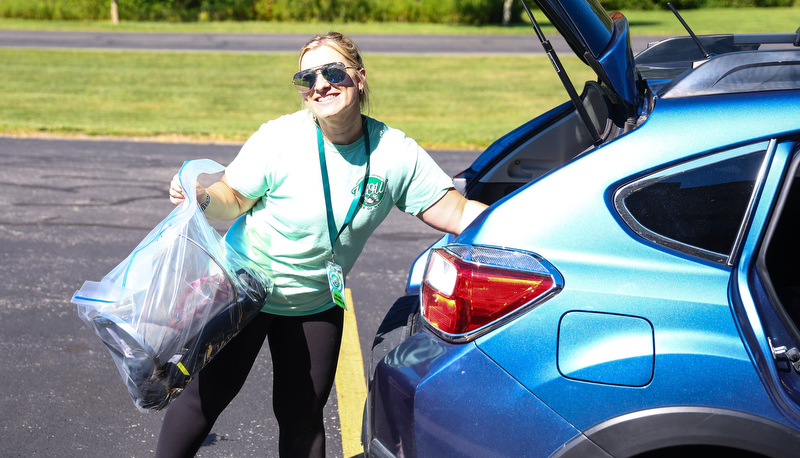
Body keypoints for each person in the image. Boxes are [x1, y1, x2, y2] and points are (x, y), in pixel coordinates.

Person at [156, 31, 487, 458]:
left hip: (315, 301)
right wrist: (202, 198)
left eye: (334, 72)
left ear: (360, 78)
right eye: (307, 77)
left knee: (302, 414)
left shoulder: (394, 153)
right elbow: (232, 197)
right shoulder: (280, 139)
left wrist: (526, 222)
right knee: (203, 400)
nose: (321, 84)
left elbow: (456, 213)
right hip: (244, 291)